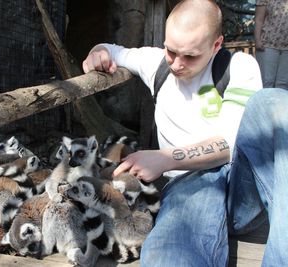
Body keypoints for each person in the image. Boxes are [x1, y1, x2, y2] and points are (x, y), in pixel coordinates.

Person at [82, 0, 288, 266]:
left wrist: (165, 158)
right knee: (171, 253)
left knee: (274, 101)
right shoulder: (157, 63)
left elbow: (228, 144)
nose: (177, 64)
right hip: (191, 185)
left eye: (190, 56)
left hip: (244, 190)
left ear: (216, 45)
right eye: (171, 51)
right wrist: (97, 52)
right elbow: (113, 50)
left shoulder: (240, 65)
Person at [254, 0, 288, 89]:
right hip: (267, 45)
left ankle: (281, 103)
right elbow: (259, 19)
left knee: (283, 84)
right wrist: (257, 40)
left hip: (286, 48)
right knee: (267, 82)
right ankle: (265, 103)